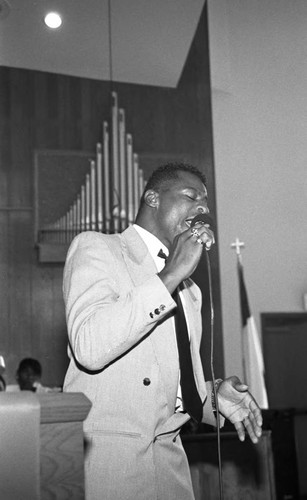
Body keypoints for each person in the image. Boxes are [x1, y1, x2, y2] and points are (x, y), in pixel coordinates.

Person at [63, 163, 263, 500]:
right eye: (191, 196)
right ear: (152, 198)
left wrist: (213, 397)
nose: (203, 208)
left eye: (206, 204)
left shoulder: (190, 291)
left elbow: (174, 381)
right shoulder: (98, 248)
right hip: (110, 462)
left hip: (169, 462)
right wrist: (169, 276)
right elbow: (89, 346)